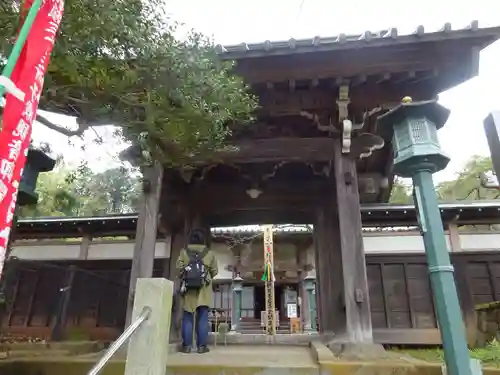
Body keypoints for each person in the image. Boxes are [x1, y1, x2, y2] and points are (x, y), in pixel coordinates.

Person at [176, 229, 218, 354]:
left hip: (189, 289)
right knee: (203, 318)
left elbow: (179, 269)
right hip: (204, 289)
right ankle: (201, 347)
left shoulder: (184, 252)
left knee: (188, 317)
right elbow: (215, 271)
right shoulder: (209, 253)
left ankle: (187, 346)